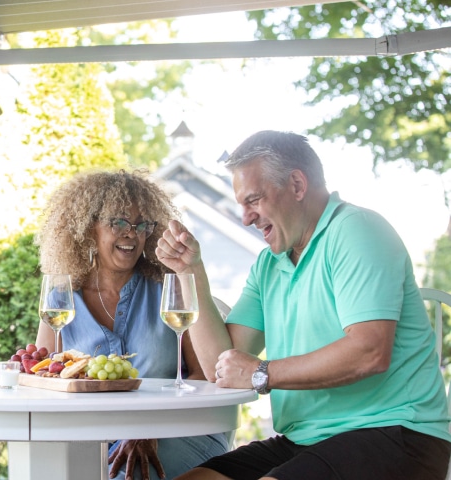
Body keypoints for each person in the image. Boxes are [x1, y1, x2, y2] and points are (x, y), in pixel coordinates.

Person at [156, 130, 451, 480]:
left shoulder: (357, 231)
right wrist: (192, 272)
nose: (245, 217)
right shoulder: (269, 264)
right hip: (306, 440)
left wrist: (261, 373)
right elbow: (222, 365)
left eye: (253, 200)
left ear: (297, 185)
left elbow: (369, 352)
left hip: (398, 433)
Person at [35, 169, 229, 480]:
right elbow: (45, 377)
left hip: (181, 429)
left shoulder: (170, 290)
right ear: (89, 229)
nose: (132, 233)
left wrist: (149, 426)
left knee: (126, 473)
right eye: (119, 222)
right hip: (94, 436)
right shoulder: (62, 298)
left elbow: (202, 375)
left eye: (142, 225)